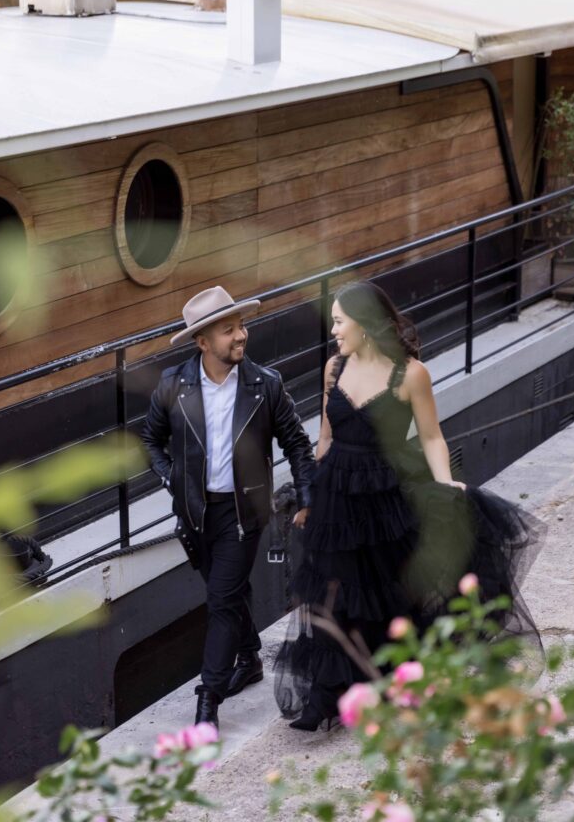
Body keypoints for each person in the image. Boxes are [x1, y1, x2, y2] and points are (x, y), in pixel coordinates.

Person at [275, 280, 542, 732]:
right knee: (333, 586)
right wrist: (309, 496)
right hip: (338, 491)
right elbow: (325, 436)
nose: (334, 329)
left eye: (339, 321)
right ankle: (325, 694)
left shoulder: (411, 374)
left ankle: (389, 680)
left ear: (365, 323)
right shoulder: (333, 368)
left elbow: (432, 436)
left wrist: (446, 489)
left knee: (387, 588)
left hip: (387, 492)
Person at [142, 285, 315, 730]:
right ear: (203, 342)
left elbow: (296, 442)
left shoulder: (265, 385)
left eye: (242, 326)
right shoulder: (173, 385)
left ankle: (208, 699)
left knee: (220, 599)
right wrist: (170, 477)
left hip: (244, 511)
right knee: (228, 592)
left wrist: (307, 496)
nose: (241, 335)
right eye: (228, 330)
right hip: (196, 512)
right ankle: (251, 658)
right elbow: (150, 440)